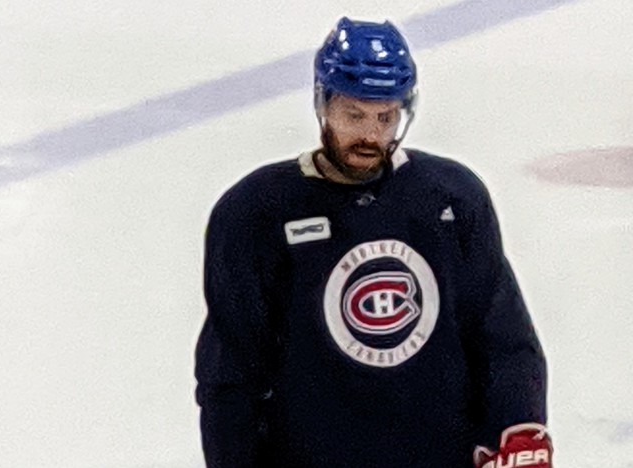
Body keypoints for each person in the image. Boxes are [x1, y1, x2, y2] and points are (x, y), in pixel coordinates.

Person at [195, 17, 552, 468]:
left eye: (386, 117)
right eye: (354, 115)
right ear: (323, 104)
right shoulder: (258, 212)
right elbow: (231, 372)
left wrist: (519, 427)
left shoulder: (451, 198)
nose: (370, 135)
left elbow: (502, 335)